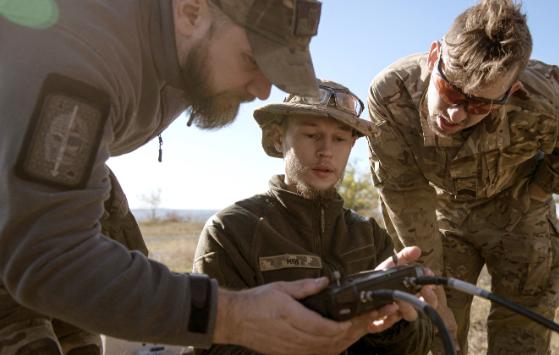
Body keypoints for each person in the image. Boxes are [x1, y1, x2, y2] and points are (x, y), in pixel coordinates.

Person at [0, 0, 357, 354]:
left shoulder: (184, 51)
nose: (262, 90)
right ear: (191, 12)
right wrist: (233, 316)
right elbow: (50, 255)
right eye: (252, 60)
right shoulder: (80, 54)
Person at [366, 0, 559, 354]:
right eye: (451, 91)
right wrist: (432, 294)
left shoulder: (548, 96)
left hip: (519, 211)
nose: (455, 113)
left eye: (479, 104)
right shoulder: (393, 93)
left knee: (523, 326)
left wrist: (542, 191)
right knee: (435, 324)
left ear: (510, 92)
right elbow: (403, 191)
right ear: (435, 54)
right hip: (443, 215)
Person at [193, 80, 436, 355]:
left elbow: (414, 347)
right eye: (311, 135)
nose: (326, 151)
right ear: (277, 138)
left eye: (340, 139)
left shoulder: (368, 236)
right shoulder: (231, 230)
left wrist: (394, 322)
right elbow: (212, 346)